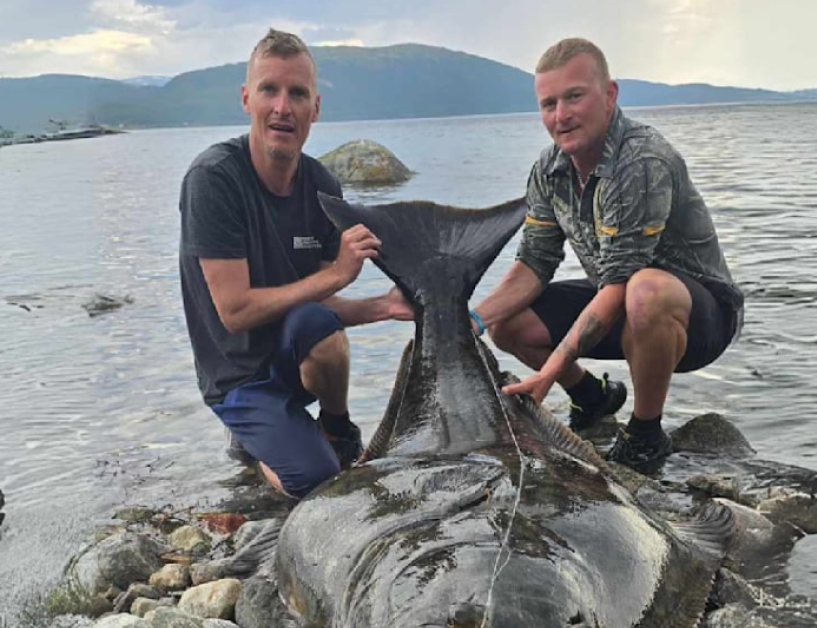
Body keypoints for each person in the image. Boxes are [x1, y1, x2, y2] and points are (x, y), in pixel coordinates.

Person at [472, 37, 744, 474]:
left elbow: (622, 281)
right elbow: (534, 263)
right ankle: (592, 397)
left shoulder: (641, 159)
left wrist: (548, 372)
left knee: (644, 289)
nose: (561, 116)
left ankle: (645, 433)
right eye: (548, 104)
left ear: (610, 95)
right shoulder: (548, 169)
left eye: (574, 96)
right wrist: (472, 321)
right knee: (508, 322)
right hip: (621, 301)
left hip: (697, 317)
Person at [178, 29, 412, 498]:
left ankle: (336, 427)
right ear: (247, 98)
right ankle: (252, 439)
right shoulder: (214, 180)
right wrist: (336, 273)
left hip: (289, 351)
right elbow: (235, 311)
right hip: (237, 374)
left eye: (297, 93)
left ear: (315, 109)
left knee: (319, 323)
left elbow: (320, 301)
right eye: (270, 89)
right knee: (315, 481)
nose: (283, 107)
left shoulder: (322, 184)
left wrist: (384, 306)